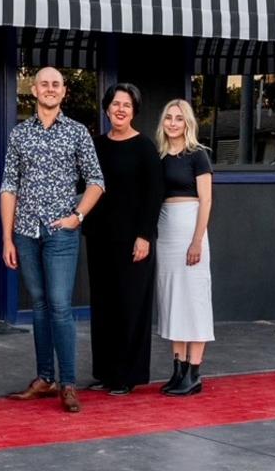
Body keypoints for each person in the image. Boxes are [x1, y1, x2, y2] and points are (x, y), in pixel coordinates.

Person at [0, 67, 105, 413]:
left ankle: (69, 383)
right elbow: (9, 187)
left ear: (64, 92)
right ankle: (45, 378)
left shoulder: (77, 133)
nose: (49, 89)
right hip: (26, 232)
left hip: (62, 232)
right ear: (34, 90)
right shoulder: (19, 135)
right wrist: (7, 238)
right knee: (41, 305)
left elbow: (96, 181)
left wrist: (78, 216)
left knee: (60, 306)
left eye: (56, 84)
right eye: (44, 83)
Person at [83, 83, 164, 396]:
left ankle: (127, 376)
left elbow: (153, 195)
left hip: (134, 241)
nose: (119, 109)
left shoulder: (144, 148)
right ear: (106, 108)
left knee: (130, 306)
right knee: (103, 306)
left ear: (134, 111)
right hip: (100, 238)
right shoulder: (96, 145)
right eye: (115, 104)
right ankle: (105, 372)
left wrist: (145, 235)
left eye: (126, 105)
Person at [154, 99, 214, 396]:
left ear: (188, 123)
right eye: (169, 118)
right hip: (165, 232)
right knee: (173, 298)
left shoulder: (198, 155)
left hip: (190, 228)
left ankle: (194, 372)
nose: (173, 123)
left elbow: (207, 200)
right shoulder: (161, 156)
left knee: (194, 300)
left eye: (179, 118)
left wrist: (196, 240)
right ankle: (177, 370)